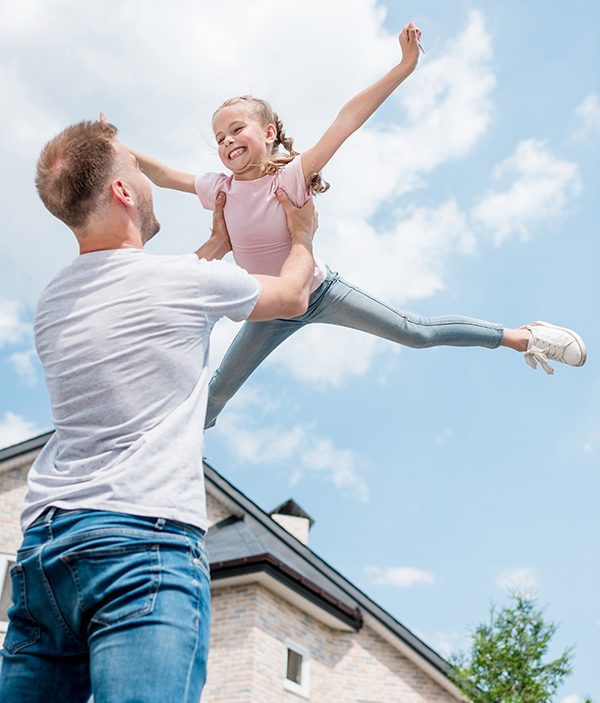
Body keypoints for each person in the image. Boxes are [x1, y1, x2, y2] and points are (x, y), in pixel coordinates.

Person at [121, 21, 586, 430]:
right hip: (272, 308)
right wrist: (114, 147)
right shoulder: (218, 187)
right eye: (219, 138)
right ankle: (164, 455)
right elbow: (160, 175)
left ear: (269, 134)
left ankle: (521, 336)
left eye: (236, 130)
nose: (226, 142)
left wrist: (403, 67)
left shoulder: (291, 177)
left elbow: (347, 120)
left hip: (321, 292)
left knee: (415, 332)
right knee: (217, 392)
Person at [0, 118, 318, 703]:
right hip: (138, 546)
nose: (145, 179)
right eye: (137, 171)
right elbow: (292, 296)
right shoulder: (182, 282)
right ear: (123, 192)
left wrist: (217, 246)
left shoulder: (53, 302)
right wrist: (302, 235)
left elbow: (150, 292)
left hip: (44, 554)